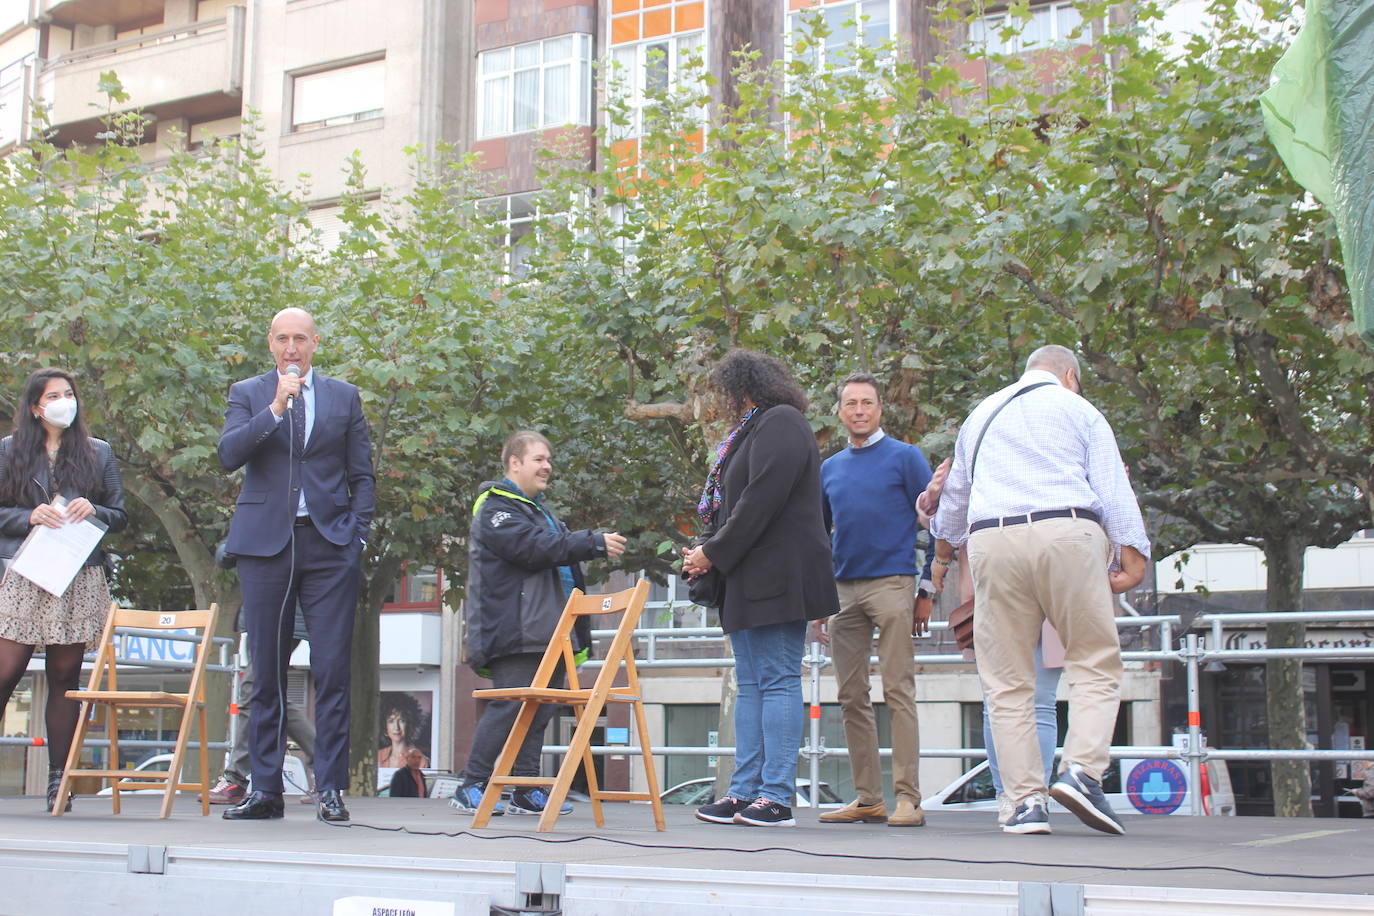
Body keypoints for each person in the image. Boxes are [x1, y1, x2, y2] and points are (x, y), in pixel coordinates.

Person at [931, 344, 1148, 836]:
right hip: (1067, 534)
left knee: (1006, 681)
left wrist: (941, 561)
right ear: (1069, 375)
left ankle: (1025, 802)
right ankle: (1082, 772)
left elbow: (955, 500)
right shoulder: (1081, 409)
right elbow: (1113, 488)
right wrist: (1133, 552)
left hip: (992, 541)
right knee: (1093, 659)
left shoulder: (981, 415)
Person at [218, 307, 375, 823]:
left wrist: (357, 535)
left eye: (301, 339)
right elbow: (229, 454)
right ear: (270, 343)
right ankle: (265, 789)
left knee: (332, 671)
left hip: (330, 547)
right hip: (266, 547)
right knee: (265, 673)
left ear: (315, 342)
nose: (292, 347)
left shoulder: (343, 396)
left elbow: (362, 474)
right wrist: (275, 410)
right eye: (283, 338)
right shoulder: (248, 393)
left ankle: (330, 787)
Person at [684, 350, 839, 828]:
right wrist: (712, 550)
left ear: (744, 388)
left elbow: (760, 499)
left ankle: (776, 796)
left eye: (727, 392)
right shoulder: (752, 430)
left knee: (774, 680)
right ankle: (743, 791)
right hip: (748, 576)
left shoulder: (783, 422)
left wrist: (713, 551)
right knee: (751, 685)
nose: (724, 401)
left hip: (776, 575)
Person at [449, 430, 626, 817]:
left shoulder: (539, 512)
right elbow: (532, 549)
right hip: (515, 631)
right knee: (511, 705)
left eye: (548, 459)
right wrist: (591, 542)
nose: (547, 466)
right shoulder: (496, 509)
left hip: (550, 632)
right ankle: (472, 784)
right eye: (538, 459)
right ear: (514, 463)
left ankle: (525, 788)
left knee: (541, 709)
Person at [0, 368, 127, 812]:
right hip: (25, 574)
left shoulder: (98, 452)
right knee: (5, 673)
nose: (63, 401)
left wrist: (95, 510)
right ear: (35, 406)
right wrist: (28, 516)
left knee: (64, 678)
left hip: (78, 574)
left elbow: (120, 514)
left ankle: (61, 780)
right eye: (53, 395)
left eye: (68, 393)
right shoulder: (9, 451)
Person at [813, 373, 932, 828]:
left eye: (867, 402)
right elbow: (819, 537)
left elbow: (934, 524)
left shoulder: (906, 458)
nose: (859, 410)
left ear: (880, 409)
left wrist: (927, 588)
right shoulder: (829, 468)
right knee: (849, 696)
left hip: (894, 583)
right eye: (850, 403)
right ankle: (868, 798)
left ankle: (908, 798)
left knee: (899, 690)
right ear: (840, 412)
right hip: (843, 591)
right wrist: (819, 600)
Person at [378, 693, 430, 769]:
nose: (396, 727)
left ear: (410, 725)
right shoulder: (378, 756)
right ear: (384, 726)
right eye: (391, 721)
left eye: (402, 720)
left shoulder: (421, 761)